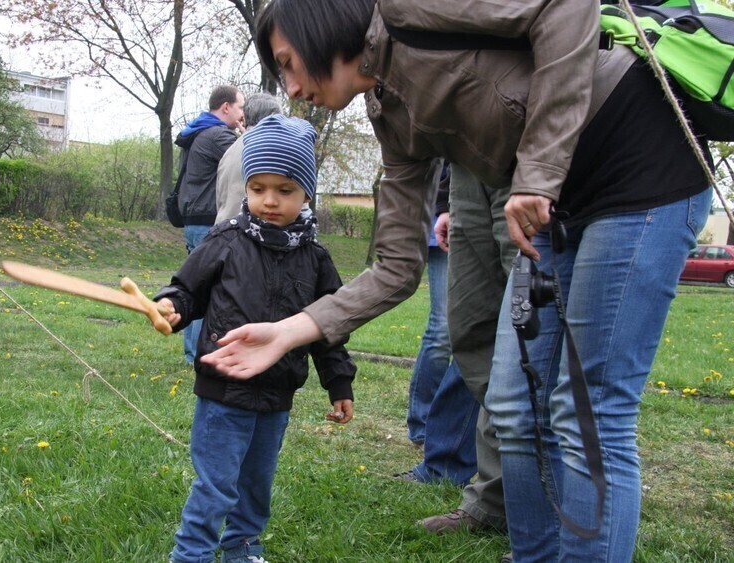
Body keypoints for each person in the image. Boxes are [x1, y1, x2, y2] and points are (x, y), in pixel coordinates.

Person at [201, 1, 711, 561]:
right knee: (516, 410)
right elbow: (395, 268)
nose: (291, 88)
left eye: (289, 63)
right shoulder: (389, 116)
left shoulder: (408, 9)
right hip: (551, 205)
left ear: (319, 30)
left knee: (588, 408)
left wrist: (536, 174)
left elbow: (569, 7)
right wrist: (291, 331)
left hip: (638, 162)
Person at [154, 114, 356, 563]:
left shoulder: (316, 257)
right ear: (245, 187)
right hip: (224, 391)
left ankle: (243, 548)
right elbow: (187, 289)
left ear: (307, 193)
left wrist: (339, 382)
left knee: (256, 485)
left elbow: (328, 327)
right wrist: (172, 307)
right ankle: (191, 554)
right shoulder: (225, 239)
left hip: (278, 393)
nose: (269, 200)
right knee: (216, 485)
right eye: (258, 188)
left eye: (284, 190)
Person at [398, 165, 480, 487]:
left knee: (467, 331)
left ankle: (449, 433)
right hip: (448, 218)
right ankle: (422, 425)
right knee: (443, 329)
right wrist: (445, 206)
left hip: (482, 215)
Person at [175, 84, 246, 364]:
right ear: (226, 107)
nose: (242, 115)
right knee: (208, 289)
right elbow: (249, 158)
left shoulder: (197, 131)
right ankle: (197, 354)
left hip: (193, 220)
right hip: (206, 221)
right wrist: (246, 134)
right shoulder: (219, 135)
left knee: (196, 285)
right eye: (241, 107)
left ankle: (193, 353)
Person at [215, 93, 283, 224]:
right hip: (248, 234)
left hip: (223, 231)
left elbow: (220, 199)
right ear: (274, 116)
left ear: (245, 118)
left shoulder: (230, 150)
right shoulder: (272, 147)